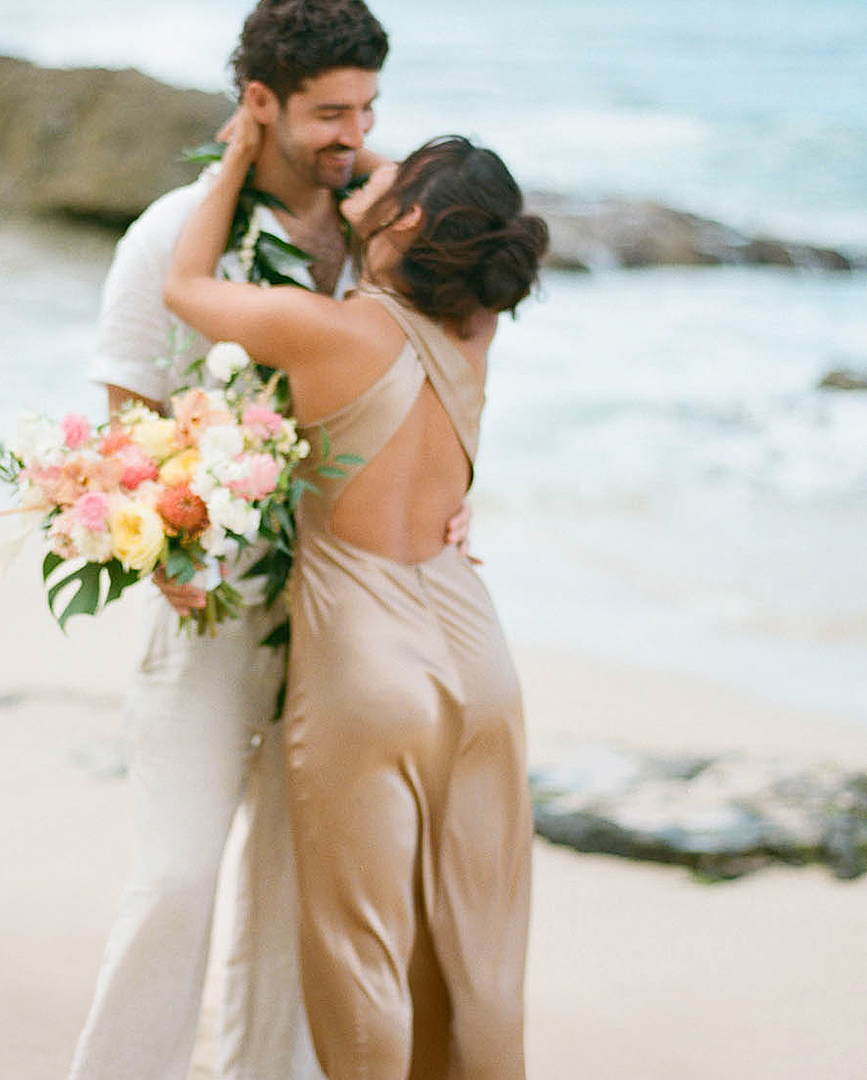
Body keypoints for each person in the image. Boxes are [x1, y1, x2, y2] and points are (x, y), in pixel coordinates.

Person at [164, 119, 549, 1080]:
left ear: (411, 213)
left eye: (388, 172)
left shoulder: (320, 326)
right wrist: (397, 194)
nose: (360, 163)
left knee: (362, 954)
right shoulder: (475, 328)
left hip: (368, 667)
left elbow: (184, 287)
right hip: (479, 651)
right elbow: (462, 220)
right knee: (483, 959)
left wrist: (244, 153)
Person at [68, 0, 389, 1080]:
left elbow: (428, 389)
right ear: (261, 102)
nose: (354, 139)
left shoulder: (379, 238)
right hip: (208, 616)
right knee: (175, 881)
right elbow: (125, 433)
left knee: (299, 906)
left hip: (347, 625)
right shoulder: (170, 237)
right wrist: (171, 559)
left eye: (368, 112)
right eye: (331, 114)